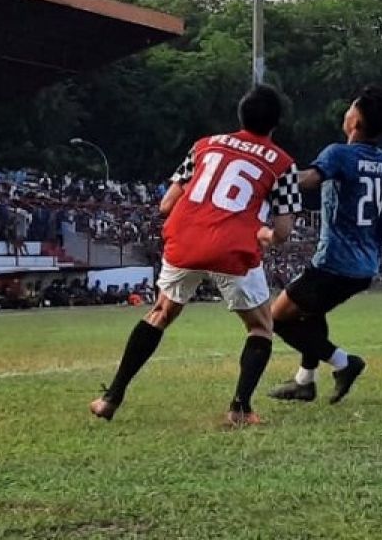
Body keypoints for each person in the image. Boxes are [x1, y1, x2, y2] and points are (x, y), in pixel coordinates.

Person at [90, 85, 301, 426]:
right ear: (276, 123)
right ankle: (240, 409)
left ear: (240, 114)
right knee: (260, 326)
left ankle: (110, 398)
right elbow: (283, 231)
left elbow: (166, 204)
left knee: (160, 312)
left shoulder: (205, 145)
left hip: (185, 236)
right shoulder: (282, 163)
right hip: (231, 244)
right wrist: (265, 234)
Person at [268, 85, 382, 406]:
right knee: (311, 313)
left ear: (356, 121)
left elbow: (309, 179)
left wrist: (267, 182)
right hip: (365, 266)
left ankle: (343, 362)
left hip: (334, 263)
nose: (347, 111)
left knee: (274, 318)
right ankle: (304, 381)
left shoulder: (339, 153)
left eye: (351, 108)